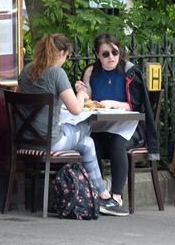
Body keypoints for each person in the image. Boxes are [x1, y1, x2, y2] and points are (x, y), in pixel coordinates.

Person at [18, 33, 128, 216]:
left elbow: (18, 96)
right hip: (50, 142)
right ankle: (102, 196)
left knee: (84, 139)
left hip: (25, 141)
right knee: (87, 139)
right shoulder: (56, 73)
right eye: (67, 56)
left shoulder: (26, 70)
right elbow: (76, 109)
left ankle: (91, 192)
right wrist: (82, 94)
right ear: (61, 53)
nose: (65, 60)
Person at [75, 33, 159, 211]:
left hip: (129, 128)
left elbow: (135, 105)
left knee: (117, 144)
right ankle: (97, 194)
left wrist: (112, 104)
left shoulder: (130, 72)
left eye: (115, 52)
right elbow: (87, 100)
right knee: (90, 145)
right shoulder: (91, 71)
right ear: (98, 55)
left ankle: (117, 197)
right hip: (100, 127)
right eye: (105, 54)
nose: (111, 57)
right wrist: (81, 91)